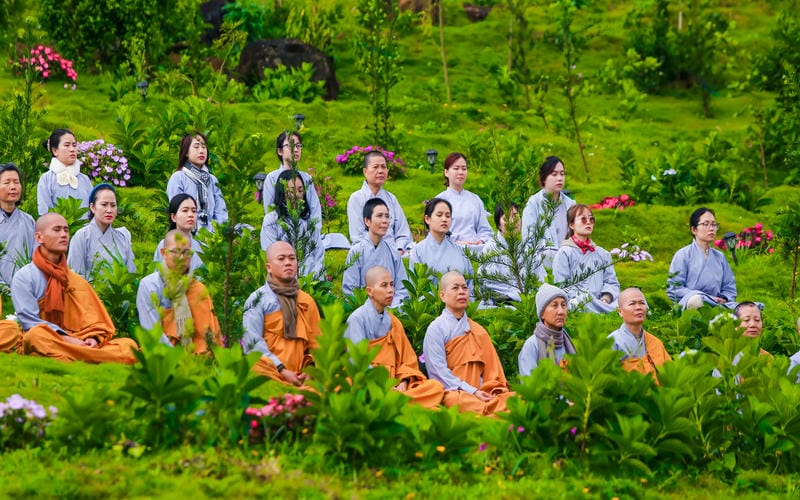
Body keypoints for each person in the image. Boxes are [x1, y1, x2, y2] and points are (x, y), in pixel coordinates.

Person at [11, 213, 137, 363]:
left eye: (66, 230)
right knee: (35, 336)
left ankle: (73, 356)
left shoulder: (76, 280)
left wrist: (93, 339)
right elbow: (30, 323)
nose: (64, 234)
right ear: (39, 237)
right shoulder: (24, 277)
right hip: (51, 338)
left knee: (128, 345)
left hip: (79, 339)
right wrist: (69, 340)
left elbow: (95, 321)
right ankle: (90, 357)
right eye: (57, 230)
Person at [345, 266, 444, 409]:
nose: (390, 290)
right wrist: (383, 385)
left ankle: (397, 401)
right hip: (370, 383)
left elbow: (407, 361)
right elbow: (357, 362)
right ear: (369, 291)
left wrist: (404, 382)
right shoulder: (356, 319)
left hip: (396, 384)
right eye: (384, 285)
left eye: (392, 285)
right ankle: (398, 402)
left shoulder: (394, 322)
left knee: (435, 387)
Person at [423, 271, 514, 415]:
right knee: (455, 401)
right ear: (442, 296)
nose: (461, 292)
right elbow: (438, 372)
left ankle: (487, 409)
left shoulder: (478, 331)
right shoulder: (436, 329)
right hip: (455, 392)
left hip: (483, 393)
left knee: (513, 399)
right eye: (455, 288)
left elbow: (493, 372)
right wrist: (472, 391)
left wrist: (489, 391)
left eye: (464, 288)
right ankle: (490, 412)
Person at [242, 242, 321, 386]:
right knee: (255, 365)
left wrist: (311, 370)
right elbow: (252, 342)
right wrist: (282, 370)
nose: (288, 262)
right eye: (281, 258)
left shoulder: (306, 301)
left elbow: (317, 342)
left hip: (302, 376)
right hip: (271, 371)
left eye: (292, 258)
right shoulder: (257, 300)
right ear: (268, 267)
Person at [137, 230, 222, 354]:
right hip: (162, 355)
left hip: (198, 357)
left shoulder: (198, 289)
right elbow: (151, 333)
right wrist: (177, 358)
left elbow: (211, 335)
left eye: (186, 253)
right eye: (176, 252)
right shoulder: (149, 285)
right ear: (163, 253)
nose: (181, 258)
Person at [553, 204, 620, 313]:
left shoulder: (603, 253)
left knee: (632, 296)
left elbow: (612, 282)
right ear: (571, 225)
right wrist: (587, 298)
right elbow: (561, 285)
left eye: (591, 219)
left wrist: (606, 298)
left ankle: (603, 309)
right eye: (583, 219)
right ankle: (610, 312)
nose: (588, 222)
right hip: (578, 301)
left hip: (603, 301)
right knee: (582, 301)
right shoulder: (564, 252)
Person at [342, 198, 409, 307]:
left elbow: (402, 289)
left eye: (387, 216)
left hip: (391, 310)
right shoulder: (356, 252)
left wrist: (391, 307)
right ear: (367, 221)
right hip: (363, 311)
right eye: (379, 216)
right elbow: (350, 291)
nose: (385, 221)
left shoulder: (393, 253)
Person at [667, 207, 737, 310]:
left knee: (751, 308)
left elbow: (729, 287)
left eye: (714, 224)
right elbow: (674, 289)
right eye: (706, 224)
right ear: (694, 230)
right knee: (696, 300)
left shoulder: (720, 257)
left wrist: (724, 298)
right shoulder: (683, 255)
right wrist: (704, 297)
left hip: (717, 304)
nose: (711, 228)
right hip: (691, 303)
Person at [260, 169, 325, 278]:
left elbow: (319, 256)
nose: (297, 195)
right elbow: (271, 255)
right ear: (282, 192)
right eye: (292, 191)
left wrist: (312, 280)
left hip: (311, 282)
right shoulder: (271, 221)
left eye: (300, 190)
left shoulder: (308, 221)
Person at [347, 151, 413, 254]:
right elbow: (358, 236)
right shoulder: (356, 199)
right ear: (365, 171)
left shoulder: (391, 198)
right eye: (375, 167)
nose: (381, 171)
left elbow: (403, 232)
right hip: (368, 252)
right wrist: (381, 251)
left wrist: (399, 249)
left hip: (395, 252)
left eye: (383, 167)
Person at [67, 183, 136, 279]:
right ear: (93, 207)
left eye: (113, 205)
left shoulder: (123, 238)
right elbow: (75, 277)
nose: (109, 210)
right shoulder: (81, 237)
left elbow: (131, 275)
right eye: (104, 205)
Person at [481, 203, 546, 303]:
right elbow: (489, 284)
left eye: (515, 216)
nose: (512, 221)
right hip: (504, 302)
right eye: (506, 218)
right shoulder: (490, 249)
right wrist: (517, 295)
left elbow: (541, 278)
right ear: (499, 225)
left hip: (530, 301)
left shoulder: (527, 248)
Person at [261, 131, 323, 236]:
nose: (296, 150)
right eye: (290, 146)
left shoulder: (306, 178)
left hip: (305, 235)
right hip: (280, 235)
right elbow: (270, 210)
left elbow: (315, 210)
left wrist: (313, 236)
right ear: (280, 151)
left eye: (298, 146)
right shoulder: (272, 178)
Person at [166, 132, 227, 232]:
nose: (201, 151)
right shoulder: (178, 178)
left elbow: (221, 212)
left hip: (212, 234)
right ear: (186, 152)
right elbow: (179, 212)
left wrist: (218, 233)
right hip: (188, 232)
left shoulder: (212, 180)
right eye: (196, 147)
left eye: (204, 147)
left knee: (245, 229)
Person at [521, 156, 576, 266]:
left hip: (569, 263)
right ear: (544, 178)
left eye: (562, 174)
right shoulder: (533, 203)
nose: (559, 178)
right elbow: (528, 239)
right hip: (542, 264)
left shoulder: (571, 204)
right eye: (554, 174)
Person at [409, 198, 473, 292]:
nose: (444, 219)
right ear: (427, 219)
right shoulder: (418, 251)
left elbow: (470, 283)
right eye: (439, 215)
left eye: (448, 216)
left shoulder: (459, 251)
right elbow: (416, 288)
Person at [607, 288, 671, 377]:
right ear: (620, 312)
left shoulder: (655, 342)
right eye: (632, 304)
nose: (638, 307)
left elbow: (670, 374)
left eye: (642, 303)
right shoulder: (613, 342)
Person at [435, 153, 493, 250]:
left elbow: (485, 229)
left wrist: (481, 240)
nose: (461, 172)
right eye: (456, 168)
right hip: (450, 250)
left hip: (476, 250)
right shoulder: (439, 201)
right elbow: (436, 233)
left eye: (464, 168)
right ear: (446, 172)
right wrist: (456, 242)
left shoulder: (475, 199)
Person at [518, 283, 576, 377]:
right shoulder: (532, 345)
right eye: (554, 305)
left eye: (563, 305)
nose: (561, 311)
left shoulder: (568, 342)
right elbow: (529, 383)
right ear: (542, 314)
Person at [37, 128, 93, 216]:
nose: (72, 149)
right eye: (67, 145)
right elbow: (45, 212)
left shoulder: (85, 180)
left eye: (74, 145)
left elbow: (93, 210)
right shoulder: (46, 179)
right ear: (55, 151)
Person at [0, 163, 35, 288]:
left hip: (25, 289)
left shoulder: (29, 221)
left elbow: (37, 258)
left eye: (16, 182)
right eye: (7, 182)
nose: (13, 187)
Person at [153, 194, 204, 272]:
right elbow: (158, 275)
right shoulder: (163, 245)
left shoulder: (202, 247)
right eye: (185, 210)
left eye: (194, 211)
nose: (191, 215)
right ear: (173, 217)